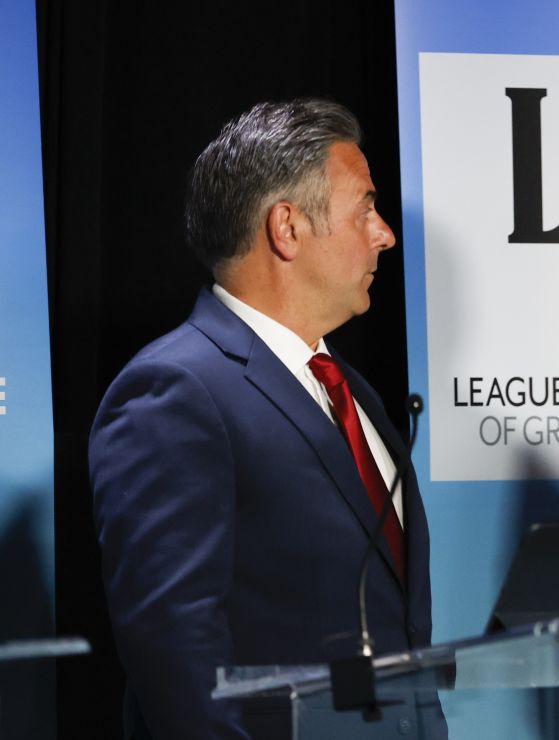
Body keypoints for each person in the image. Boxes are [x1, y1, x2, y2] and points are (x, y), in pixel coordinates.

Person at [90, 99, 436, 739]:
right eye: (364, 206)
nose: (384, 232)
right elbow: (176, 654)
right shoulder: (175, 391)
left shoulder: (354, 392)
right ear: (287, 228)